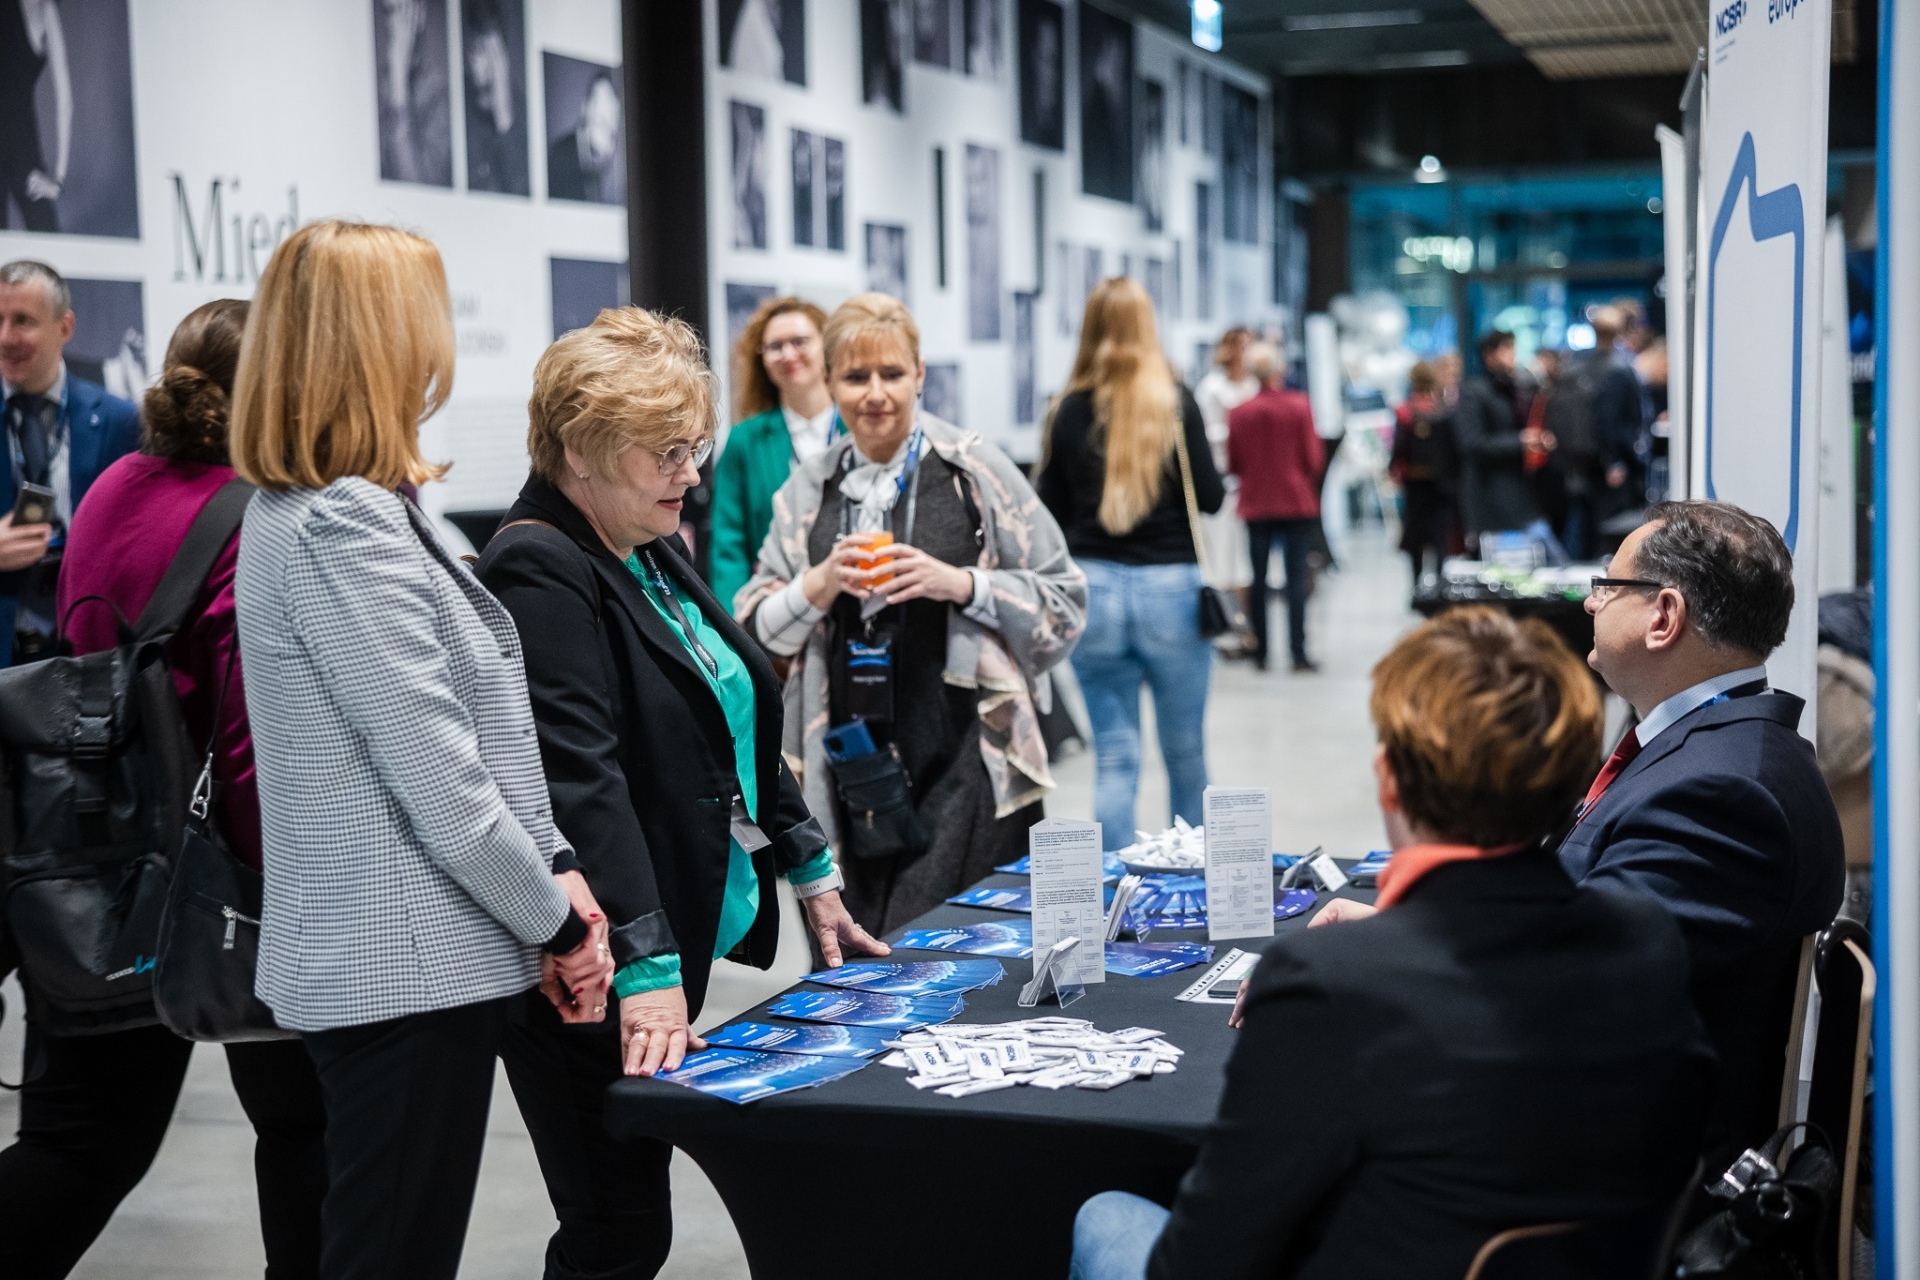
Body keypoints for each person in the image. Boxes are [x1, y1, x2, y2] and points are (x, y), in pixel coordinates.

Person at [1069, 606, 1713, 1280]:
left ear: (1389, 779)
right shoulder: (1646, 941)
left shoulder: (1329, 983)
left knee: (1106, 1218)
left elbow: (1205, 1261)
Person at [229, 220, 614, 1280]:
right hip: (402, 971)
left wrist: (554, 869)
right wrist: (556, 921)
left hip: (400, 965)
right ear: (381, 339)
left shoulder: (339, 509)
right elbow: (444, 780)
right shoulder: (340, 524)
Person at [475, 307, 888, 1276]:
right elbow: (580, 780)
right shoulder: (540, 562)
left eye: (692, 447)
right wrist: (645, 966)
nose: (690, 473)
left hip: (660, 933)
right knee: (616, 1230)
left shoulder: (645, 538)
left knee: (628, 1223)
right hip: (592, 960)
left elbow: (728, 712)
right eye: (665, 451)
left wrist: (810, 863)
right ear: (580, 450)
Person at [0, 301, 328, 1280]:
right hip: (219, 874)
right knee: (304, 1133)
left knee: (78, 1142)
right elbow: (244, 737)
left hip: (91, 854)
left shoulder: (113, 487)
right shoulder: (259, 517)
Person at [738, 292, 1084, 935]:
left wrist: (963, 585)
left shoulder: (973, 471)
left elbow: (1064, 600)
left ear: (920, 375)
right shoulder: (809, 489)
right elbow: (755, 630)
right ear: (829, 382)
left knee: (947, 944)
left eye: (892, 373)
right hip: (848, 760)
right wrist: (819, 584)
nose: (876, 394)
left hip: (968, 750)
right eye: (855, 376)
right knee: (862, 949)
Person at [1561, 501, 1844, 1168]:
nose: (1591, 603)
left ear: (1664, 616)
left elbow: (1576, 987)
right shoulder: (1722, 750)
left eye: (1607, 586)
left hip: (1628, 1167)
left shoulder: (1721, 795)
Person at [1037, 277, 1222, 850]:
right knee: (1186, 751)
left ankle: (1117, 885)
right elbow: (1210, 496)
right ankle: (1195, 875)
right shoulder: (1176, 403)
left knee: (1115, 756)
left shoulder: (1068, 410)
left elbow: (1048, 511)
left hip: (1093, 590)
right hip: (1172, 588)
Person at [0, 259, 142, 664]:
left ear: (65, 327)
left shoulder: (119, 421)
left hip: (87, 653)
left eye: (23, 321)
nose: (5, 337)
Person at [710, 296, 833, 611]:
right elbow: (728, 545)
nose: (788, 354)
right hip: (773, 608)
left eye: (799, 341)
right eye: (775, 347)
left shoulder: (859, 429)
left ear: (827, 345)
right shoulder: (744, 441)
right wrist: (736, 620)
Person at [1225, 341, 1322, 673]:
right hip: (1295, 502)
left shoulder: (1240, 412)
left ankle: (1261, 652)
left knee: (1259, 579)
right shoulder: (1299, 406)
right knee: (1296, 579)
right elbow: (1313, 458)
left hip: (1256, 503)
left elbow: (1234, 463)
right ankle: (1298, 652)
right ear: (1279, 369)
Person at [1452, 328, 1539, 547]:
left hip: (1517, 490)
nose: (1512, 356)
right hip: (1488, 493)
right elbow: (1471, 442)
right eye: (1506, 349)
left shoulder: (1512, 389)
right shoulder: (1474, 391)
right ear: (1489, 355)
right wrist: (1520, 441)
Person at [1191, 326, 1256, 605]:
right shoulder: (1212, 388)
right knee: (1220, 553)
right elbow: (1201, 434)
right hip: (1221, 479)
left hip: (1252, 481)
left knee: (1248, 556)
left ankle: (1247, 617)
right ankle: (1222, 613)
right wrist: (1235, 432)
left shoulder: (1255, 387)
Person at [1388, 360, 1458, 588]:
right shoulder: (1444, 410)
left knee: (1416, 539)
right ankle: (1440, 587)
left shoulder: (1406, 412)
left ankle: (1417, 586)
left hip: (1415, 485)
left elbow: (1398, 448)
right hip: (1442, 485)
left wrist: (1394, 471)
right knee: (1440, 537)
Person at [0, 0, 69, 231]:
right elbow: (65, 101)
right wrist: (58, 180)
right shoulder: (44, 9)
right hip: (23, 152)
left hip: (23, 155)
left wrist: (57, 183)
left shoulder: (44, 8)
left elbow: (65, 102)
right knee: (47, 242)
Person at [548, 71, 621, 203]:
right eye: (598, 101)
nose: (603, 112)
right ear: (584, 107)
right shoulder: (561, 156)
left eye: (610, 104)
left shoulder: (619, 165)